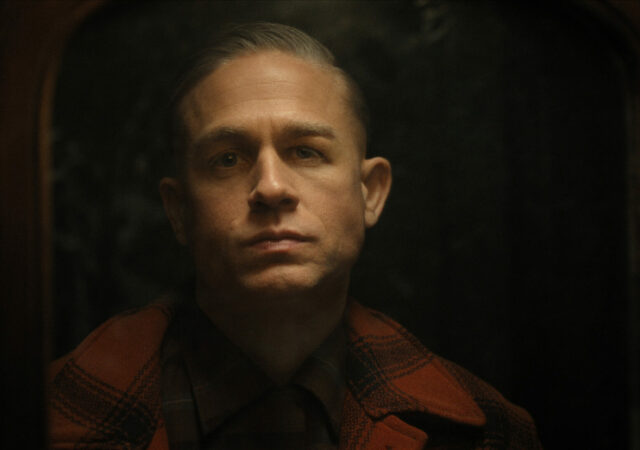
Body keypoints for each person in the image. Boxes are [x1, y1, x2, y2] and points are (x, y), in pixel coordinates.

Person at [48, 22, 542, 449]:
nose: (271, 187)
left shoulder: (490, 434)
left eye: (306, 152)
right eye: (227, 159)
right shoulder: (44, 420)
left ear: (370, 193)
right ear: (179, 211)